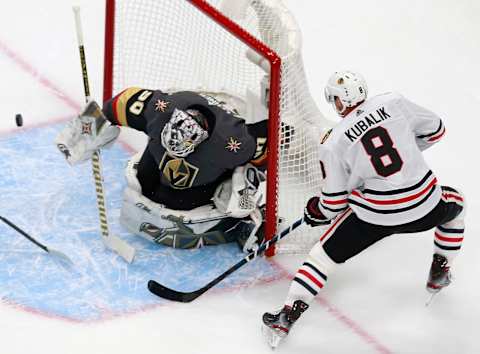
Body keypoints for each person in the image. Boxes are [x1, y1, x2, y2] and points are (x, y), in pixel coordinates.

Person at [261, 71, 466, 348]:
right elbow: (437, 130)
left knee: (321, 258)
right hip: (424, 206)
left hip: (375, 217)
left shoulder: (332, 141)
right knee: (458, 204)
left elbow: (333, 204)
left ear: (338, 102)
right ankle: (440, 269)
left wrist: (316, 210)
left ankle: (287, 315)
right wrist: (409, 151)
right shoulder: (393, 103)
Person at [55, 88, 269, 252]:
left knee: (183, 198)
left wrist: (246, 183)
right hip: (155, 168)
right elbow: (118, 104)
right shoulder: (160, 109)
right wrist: (86, 129)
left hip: (196, 190)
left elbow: (268, 146)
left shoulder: (232, 143)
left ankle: (244, 219)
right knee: (145, 182)